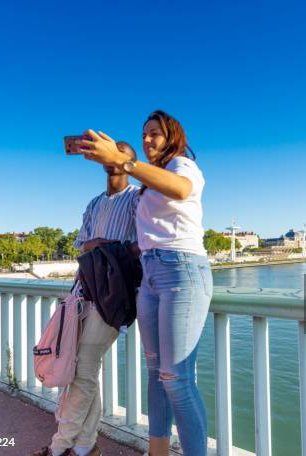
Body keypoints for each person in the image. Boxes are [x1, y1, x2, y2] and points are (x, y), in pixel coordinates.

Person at [74, 111, 212, 456]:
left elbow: (181, 191)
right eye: (144, 134)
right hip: (149, 275)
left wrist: (125, 162)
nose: (148, 140)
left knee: (178, 380)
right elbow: (145, 237)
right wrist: (110, 249)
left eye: (155, 134)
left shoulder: (182, 166)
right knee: (157, 374)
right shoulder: (148, 186)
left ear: (173, 137)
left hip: (181, 270)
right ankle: (158, 452)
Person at [30, 141, 141, 456]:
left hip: (114, 296)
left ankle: (59, 447)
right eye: (112, 152)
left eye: (123, 154)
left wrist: (101, 244)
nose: (114, 159)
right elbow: (82, 244)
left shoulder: (137, 199)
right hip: (84, 291)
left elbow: (138, 245)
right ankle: (86, 447)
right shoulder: (94, 203)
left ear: (131, 162)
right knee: (84, 369)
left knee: (83, 368)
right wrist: (105, 245)